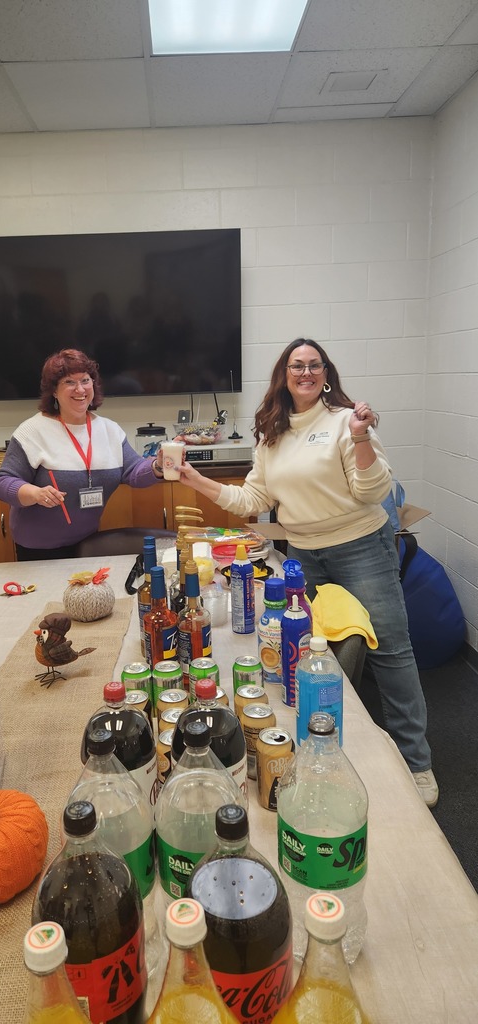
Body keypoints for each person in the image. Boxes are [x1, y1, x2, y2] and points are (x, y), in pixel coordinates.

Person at [178, 337, 438, 807]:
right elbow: (252, 501)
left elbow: (372, 489)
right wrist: (196, 480)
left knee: (390, 650)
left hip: (361, 546)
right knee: (305, 649)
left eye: (315, 365)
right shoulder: (271, 432)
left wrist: (361, 436)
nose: (306, 372)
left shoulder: (346, 421)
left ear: (326, 374)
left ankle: (416, 762)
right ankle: (323, 744)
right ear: (284, 374)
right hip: (303, 554)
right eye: (297, 365)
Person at [0, 348, 165, 560]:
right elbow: (3, 483)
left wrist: (158, 465)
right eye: (69, 382)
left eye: (85, 380)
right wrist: (34, 494)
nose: (80, 389)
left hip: (89, 543)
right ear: (54, 391)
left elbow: (135, 471)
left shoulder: (109, 430)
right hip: (38, 548)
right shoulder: (33, 430)